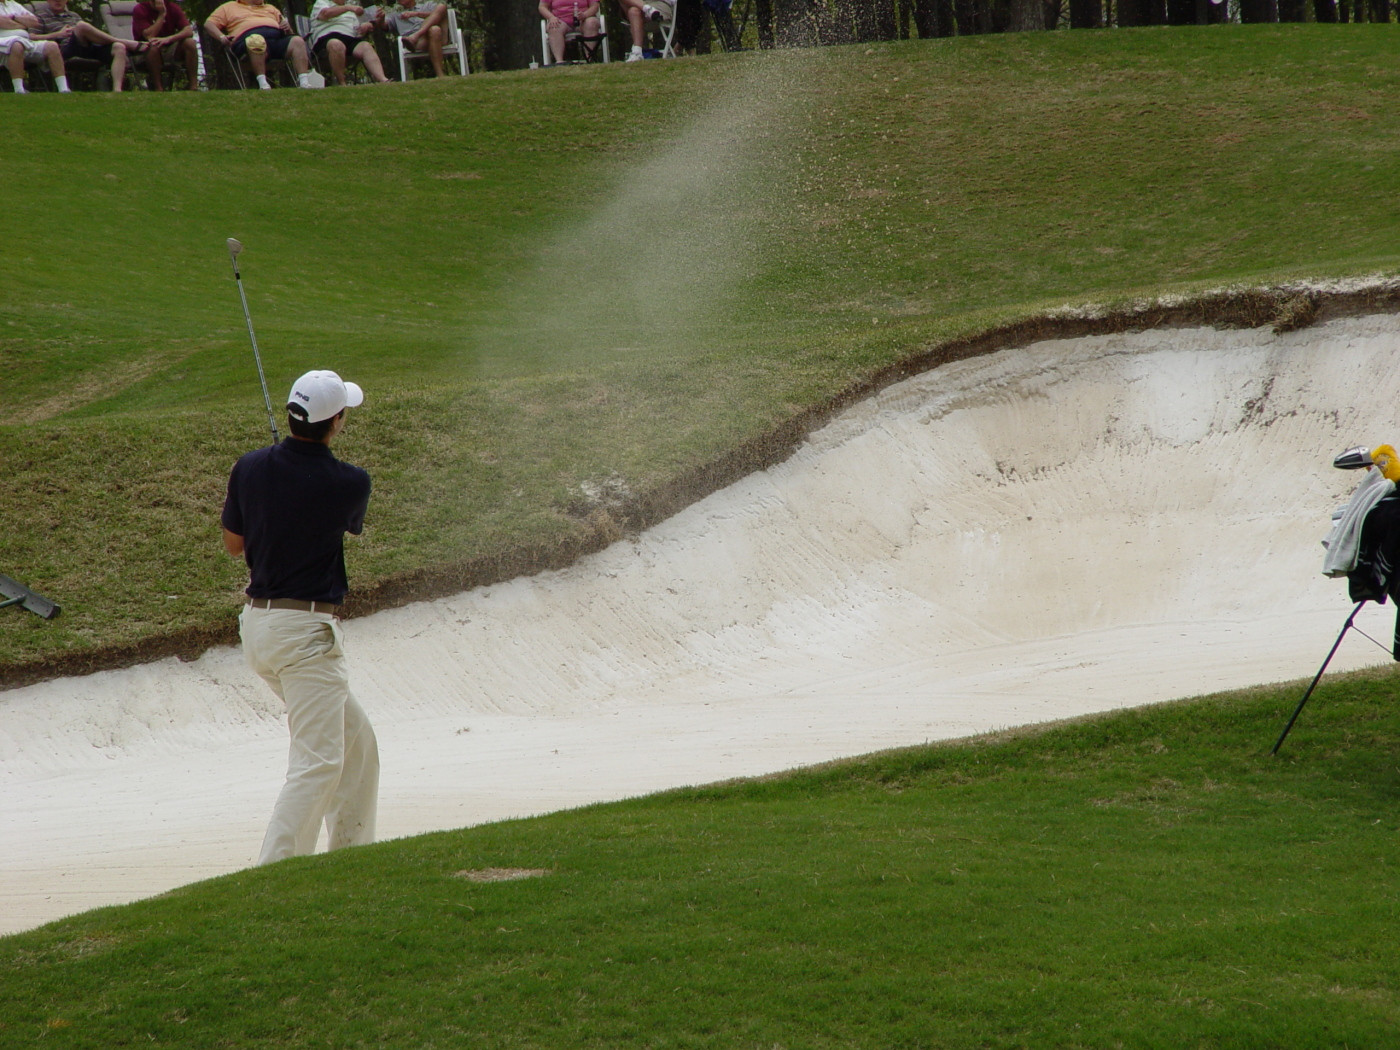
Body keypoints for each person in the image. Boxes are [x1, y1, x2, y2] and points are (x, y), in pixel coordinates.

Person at [221, 369, 379, 865]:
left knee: (356, 744)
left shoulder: (249, 467)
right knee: (318, 763)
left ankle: (352, 858)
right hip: (305, 636)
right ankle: (276, 874)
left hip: (261, 630)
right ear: (336, 421)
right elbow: (342, 525)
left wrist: (273, 482)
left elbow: (234, 546)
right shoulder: (350, 482)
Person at [29, 0, 144, 91]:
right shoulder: (40, 16)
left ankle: (117, 90)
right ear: (48, 1)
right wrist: (58, 34)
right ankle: (128, 42)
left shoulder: (74, 15)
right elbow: (31, 37)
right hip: (64, 49)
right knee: (81, 26)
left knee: (119, 47)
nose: (58, 1)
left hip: (86, 46)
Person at [205, 0, 318, 89]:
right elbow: (209, 24)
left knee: (297, 41)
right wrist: (221, 37)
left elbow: (288, 32)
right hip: (246, 42)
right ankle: (263, 83)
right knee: (256, 40)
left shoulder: (271, 8)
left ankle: (304, 82)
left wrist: (287, 28)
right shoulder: (228, 7)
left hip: (276, 40)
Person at [307, 0, 390, 84]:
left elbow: (360, 26)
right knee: (336, 44)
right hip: (326, 40)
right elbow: (325, 14)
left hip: (350, 39)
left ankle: (383, 79)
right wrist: (349, 8)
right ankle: (342, 83)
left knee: (366, 46)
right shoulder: (322, 2)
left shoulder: (351, 10)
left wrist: (367, 25)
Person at [0, 0, 69, 92]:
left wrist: (13, 16)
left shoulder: (13, 4)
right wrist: (23, 24)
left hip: (26, 41)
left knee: (52, 46)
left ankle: (63, 89)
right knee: (17, 45)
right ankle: (19, 89)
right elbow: (3, 22)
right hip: (3, 42)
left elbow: (34, 22)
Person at [130, 0, 199, 90]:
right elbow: (149, 36)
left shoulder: (172, 7)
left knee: (190, 42)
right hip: (145, 50)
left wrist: (169, 39)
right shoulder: (140, 9)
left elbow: (188, 31)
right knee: (153, 47)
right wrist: (162, 14)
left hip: (169, 48)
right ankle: (158, 88)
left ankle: (193, 87)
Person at [374, 0, 447, 77]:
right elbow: (384, 26)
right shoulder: (396, 15)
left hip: (437, 38)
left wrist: (416, 14)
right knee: (434, 30)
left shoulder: (427, 5)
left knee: (439, 14)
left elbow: (441, 13)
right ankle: (441, 75)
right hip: (418, 43)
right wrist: (381, 18)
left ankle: (416, 35)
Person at [538, 0, 600, 64]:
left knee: (592, 23)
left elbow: (595, 6)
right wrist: (551, 17)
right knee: (553, 27)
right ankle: (559, 61)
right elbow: (542, 7)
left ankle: (589, 58)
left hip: (583, 20)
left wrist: (585, 15)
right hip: (560, 20)